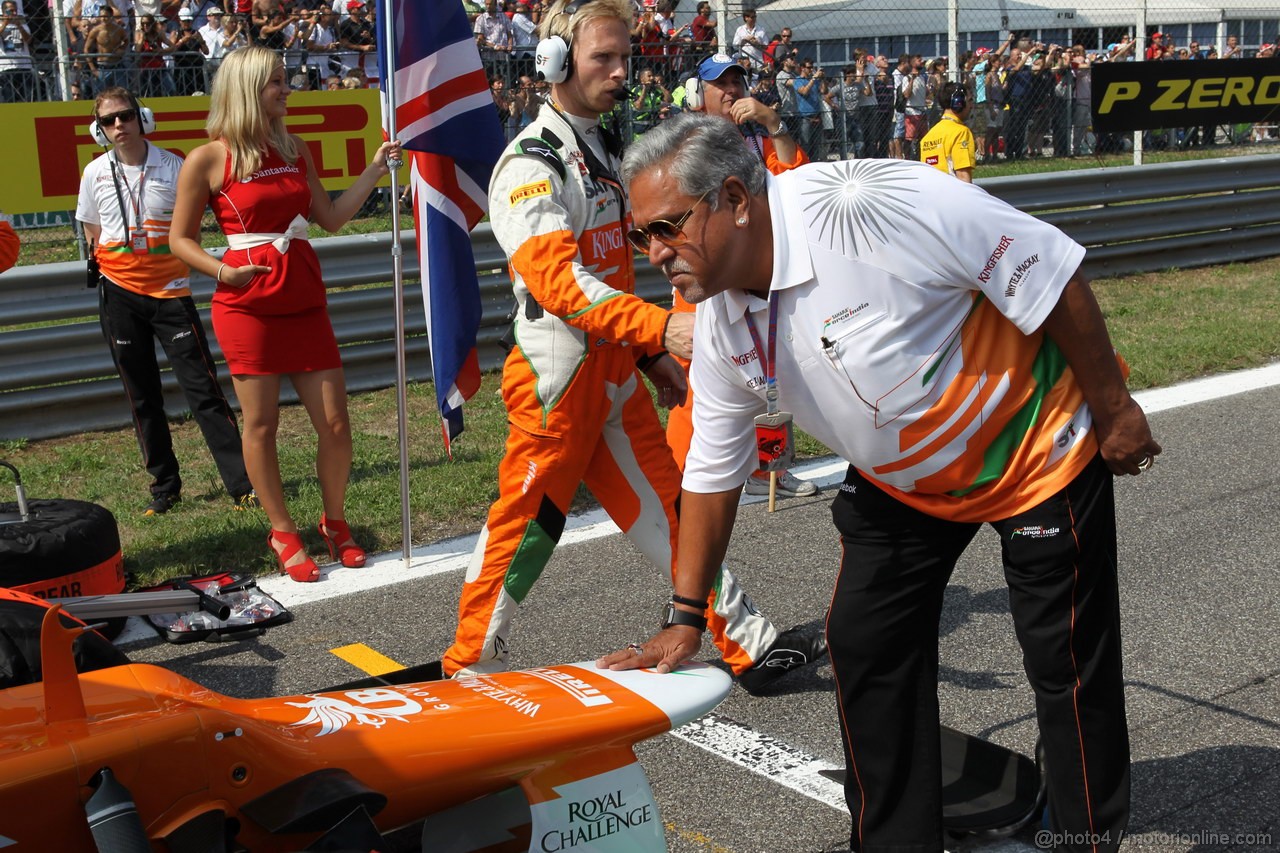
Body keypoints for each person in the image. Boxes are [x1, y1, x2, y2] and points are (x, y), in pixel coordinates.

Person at [606, 111, 1160, 853]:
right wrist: (685, 612)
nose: (654, 254)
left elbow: (1048, 269)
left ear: (735, 199)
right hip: (905, 485)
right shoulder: (721, 320)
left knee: (1064, 659)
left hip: (1032, 448)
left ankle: (1084, 836)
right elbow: (712, 466)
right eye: (641, 237)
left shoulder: (869, 205)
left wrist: (1114, 408)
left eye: (667, 228)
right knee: (865, 641)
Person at [441, 0, 825, 693]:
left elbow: (614, 272)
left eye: (626, 58)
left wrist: (651, 363)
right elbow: (560, 283)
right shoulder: (529, 163)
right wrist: (659, 333)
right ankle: (463, 669)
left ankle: (752, 645)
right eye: (603, 59)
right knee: (521, 537)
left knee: (677, 509)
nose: (622, 72)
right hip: (556, 391)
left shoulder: (604, 153)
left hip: (615, 379)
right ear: (555, 63)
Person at [168, 46, 401, 581]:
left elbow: (333, 218)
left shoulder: (295, 148)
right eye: (276, 82)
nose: (286, 89)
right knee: (262, 423)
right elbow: (179, 240)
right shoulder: (209, 158)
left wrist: (373, 170)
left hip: (302, 294)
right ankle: (282, 531)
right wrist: (222, 271)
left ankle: (334, 522)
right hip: (246, 303)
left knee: (337, 423)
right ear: (249, 89)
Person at [76, 87, 255, 517]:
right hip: (118, 296)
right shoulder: (94, 172)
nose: (118, 126)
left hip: (172, 293)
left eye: (125, 116)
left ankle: (242, 485)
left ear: (143, 118)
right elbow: (91, 229)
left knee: (204, 393)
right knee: (142, 397)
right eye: (108, 121)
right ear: (98, 130)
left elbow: (192, 227)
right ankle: (165, 487)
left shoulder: (176, 165)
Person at [664, 52, 813, 499]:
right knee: (699, 369)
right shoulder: (685, 140)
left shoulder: (755, 138)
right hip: (704, 271)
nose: (731, 92)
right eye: (719, 84)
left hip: (753, 270)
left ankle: (770, 472)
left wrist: (775, 124)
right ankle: (682, 476)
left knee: (769, 370)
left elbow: (797, 177)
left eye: (737, 83)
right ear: (697, 95)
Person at [919, 80, 976, 181]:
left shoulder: (928, 136)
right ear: (959, 103)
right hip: (953, 194)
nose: (971, 106)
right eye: (970, 100)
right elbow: (963, 176)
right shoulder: (961, 132)